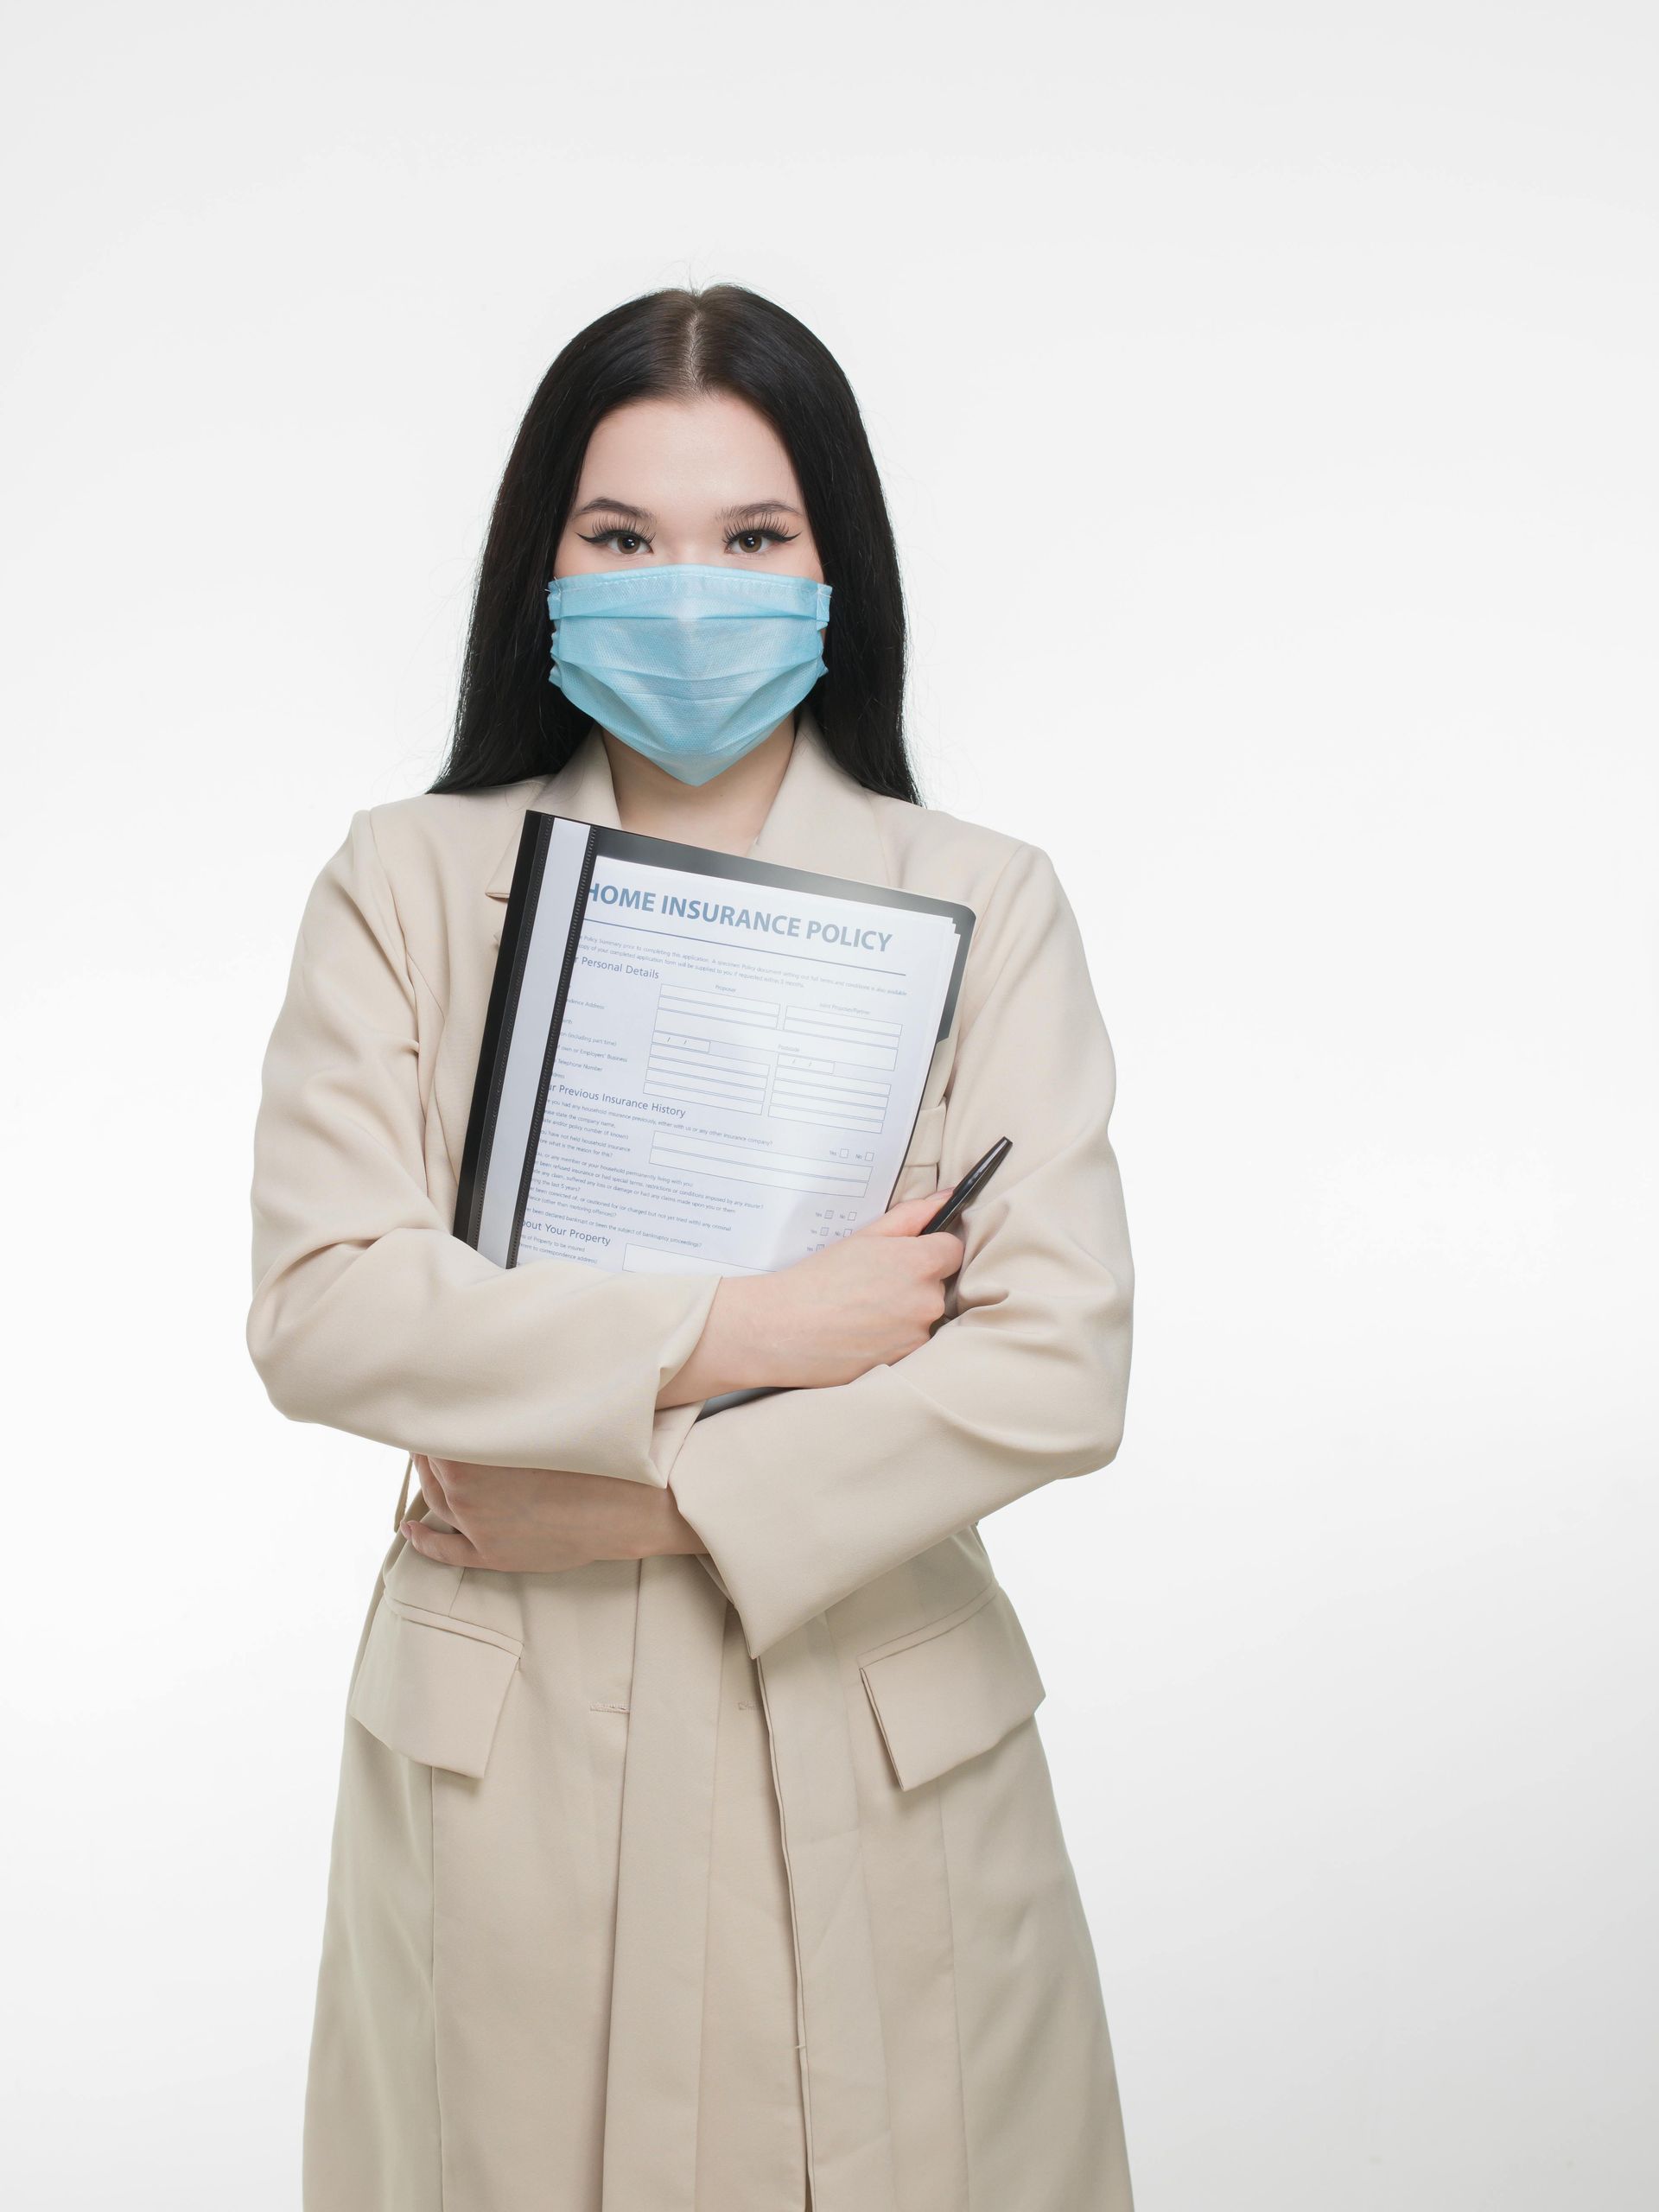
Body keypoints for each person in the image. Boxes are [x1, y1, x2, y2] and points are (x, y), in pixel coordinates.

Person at [246, 281, 1137, 2212]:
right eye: (620, 536)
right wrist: (766, 1321)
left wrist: (643, 1502)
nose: (686, 588)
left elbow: (1052, 1358)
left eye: (754, 537)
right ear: (540, 569)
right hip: (512, 1739)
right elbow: (328, 1307)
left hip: (871, 1723)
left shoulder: (986, 901)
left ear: (837, 569)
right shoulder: (403, 882)